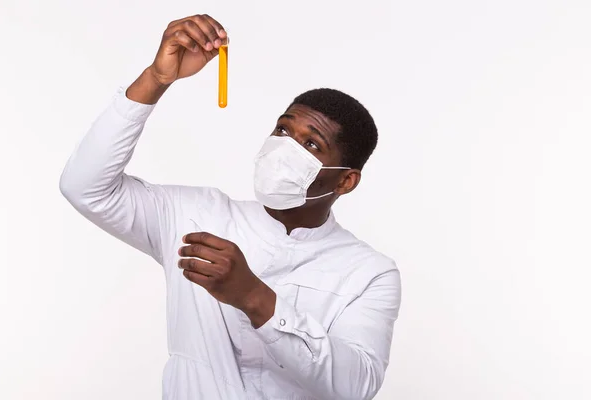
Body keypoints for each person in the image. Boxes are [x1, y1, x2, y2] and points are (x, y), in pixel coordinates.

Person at [59, 14, 401, 400]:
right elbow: (85, 187)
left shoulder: (369, 272)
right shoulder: (196, 215)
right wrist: (155, 78)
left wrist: (255, 297)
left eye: (311, 145)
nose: (285, 147)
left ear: (345, 180)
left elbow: (356, 386)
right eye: (283, 129)